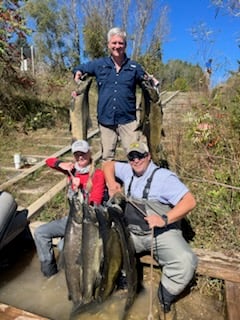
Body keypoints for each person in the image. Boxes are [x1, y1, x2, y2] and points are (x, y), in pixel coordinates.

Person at [102, 141, 198, 320]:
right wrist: (111, 182)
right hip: (132, 233)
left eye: (140, 155)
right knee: (102, 249)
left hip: (161, 234)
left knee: (186, 262)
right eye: (131, 156)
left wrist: (164, 219)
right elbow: (108, 164)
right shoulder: (127, 170)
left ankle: (163, 298)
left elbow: (189, 201)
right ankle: (122, 284)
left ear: (149, 156)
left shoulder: (164, 178)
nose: (135, 160)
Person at [72, 27, 159, 161]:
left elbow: (147, 82)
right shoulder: (99, 64)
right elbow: (81, 68)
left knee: (135, 155)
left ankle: (136, 180)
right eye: (114, 43)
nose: (117, 46)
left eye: (120, 43)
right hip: (106, 120)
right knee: (107, 157)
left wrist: (152, 81)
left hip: (128, 120)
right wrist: (77, 72)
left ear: (125, 45)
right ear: (108, 45)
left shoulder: (134, 67)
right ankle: (110, 181)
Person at [34, 140, 105, 278]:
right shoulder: (71, 169)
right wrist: (60, 164)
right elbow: (48, 161)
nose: (80, 157)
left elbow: (95, 203)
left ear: (89, 153)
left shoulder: (97, 174)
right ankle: (49, 273)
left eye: (83, 153)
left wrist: (81, 190)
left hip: (87, 223)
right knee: (40, 233)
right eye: (77, 154)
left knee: (62, 247)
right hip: (70, 220)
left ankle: (74, 275)